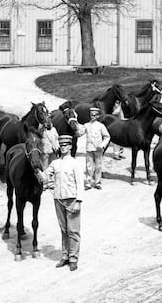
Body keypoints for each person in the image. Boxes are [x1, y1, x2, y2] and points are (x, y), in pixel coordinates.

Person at [42, 135, 85, 272]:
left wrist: (78, 201)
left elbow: (80, 184)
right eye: (61, 145)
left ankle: (73, 258)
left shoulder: (75, 163)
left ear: (71, 146)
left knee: (73, 231)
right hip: (58, 199)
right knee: (64, 229)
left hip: (72, 200)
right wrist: (40, 174)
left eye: (66, 145)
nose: (63, 147)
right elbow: (46, 175)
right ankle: (65, 256)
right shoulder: (55, 163)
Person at [83, 107, 110, 190]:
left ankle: (97, 182)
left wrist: (102, 145)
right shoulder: (86, 125)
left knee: (98, 166)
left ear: (98, 116)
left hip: (98, 149)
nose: (93, 116)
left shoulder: (101, 126)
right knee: (89, 166)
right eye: (91, 115)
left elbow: (107, 137)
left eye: (95, 115)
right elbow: (80, 133)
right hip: (89, 148)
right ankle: (88, 182)